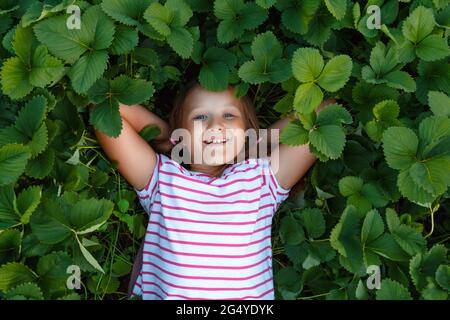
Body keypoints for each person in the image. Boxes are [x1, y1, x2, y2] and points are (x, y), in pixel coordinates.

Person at [94, 79, 333, 300]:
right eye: (199, 117)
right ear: (181, 130)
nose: (216, 125)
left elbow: (324, 113)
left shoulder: (261, 179)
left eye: (229, 115)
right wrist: (167, 137)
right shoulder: (162, 179)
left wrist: (256, 143)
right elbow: (107, 107)